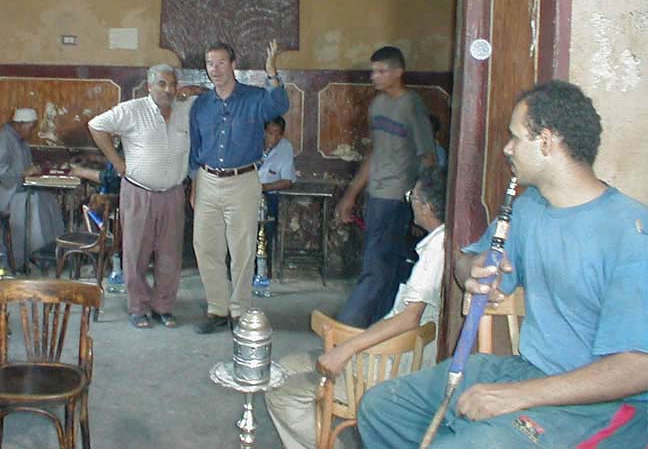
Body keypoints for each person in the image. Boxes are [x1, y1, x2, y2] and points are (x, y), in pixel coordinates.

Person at [359, 80, 648, 448]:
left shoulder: (631, 232)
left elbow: (639, 367)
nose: (507, 149)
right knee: (382, 407)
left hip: (604, 405)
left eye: (515, 137)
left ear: (546, 141)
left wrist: (520, 395)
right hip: (528, 371)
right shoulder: (529, 210)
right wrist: (472, 270)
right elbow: (465, 264)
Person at [265, 166, 446, 449]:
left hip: (388, 366)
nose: (410, 201)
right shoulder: (441, 242)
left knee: (280, 392)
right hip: (392, 352)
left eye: (412, 196)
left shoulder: (437, 252)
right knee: (282, 369)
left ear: (427, 206)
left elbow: (409, 319)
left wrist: (347, 348)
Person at [86, 65, 200, 329]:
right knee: (136, 253)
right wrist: (116, 161)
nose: (168, 90)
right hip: (138, 192)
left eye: (172, 84)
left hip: (172, 193)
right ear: (149, 86)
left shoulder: (185, 108)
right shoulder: (132, 110)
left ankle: (163, 306)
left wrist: (191, 90)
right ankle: (138, 307)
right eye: (161, 84)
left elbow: (209, 94)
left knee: (170, 254)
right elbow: (96, 126)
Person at [189, 40, 289, 334]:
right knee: (206, 246)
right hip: (207, 180)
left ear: (233, 64)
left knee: (242, 247)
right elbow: (196, 147)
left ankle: (240, 310)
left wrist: (272, 73)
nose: (215, 69)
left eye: (221, 62)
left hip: (243, 180)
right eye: (210, 64)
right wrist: (194, 184)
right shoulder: (202, 104)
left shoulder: (255, 98)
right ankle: (217, 309)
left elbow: (279, 104)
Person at [334, 46, 435, 328]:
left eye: (381, 71)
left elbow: (427, 156)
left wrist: (423, 202)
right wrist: (350, 195)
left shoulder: (411, 105)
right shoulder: (378, 106)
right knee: (384, 265)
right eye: (372, 71)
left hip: (398, 197)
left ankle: (349, 327)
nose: (374, 76)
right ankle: (380, 325)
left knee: (377, 267)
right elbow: (375, 153)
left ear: (398, 72)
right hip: (377, 196)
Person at [0, 108, 65, 267]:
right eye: (31, 127)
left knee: (47, 198)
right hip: (1, 193)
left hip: (16, 188)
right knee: (33, 202)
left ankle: (49, 252)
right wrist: (23, 173)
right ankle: (26, 256)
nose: (32, 131)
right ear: (19, 125)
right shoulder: (3, 139)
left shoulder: (20, 141)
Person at [256, 116, 296, 286]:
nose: (274, 138)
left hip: (269, 195)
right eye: (271, 133)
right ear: (264, 132)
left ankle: (264, 272)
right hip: (244, 196)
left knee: (266, 235)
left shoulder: (285, 148)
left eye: (278, 134)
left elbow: (287, 181)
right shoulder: (252, 142)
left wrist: (262, 188)